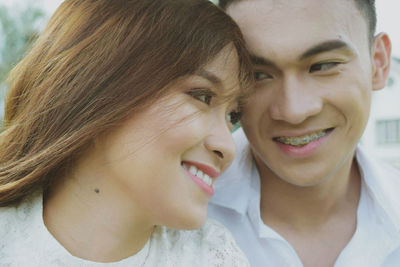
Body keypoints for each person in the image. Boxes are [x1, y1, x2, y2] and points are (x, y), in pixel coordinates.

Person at [0, 0, 253, 266]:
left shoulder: (214, 258)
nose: (228, 146)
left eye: (232, 117)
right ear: (98, 90)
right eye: (202, 96)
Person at [208, 0, 400, 266]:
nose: (293, 111)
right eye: (259, 74)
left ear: (378, 64)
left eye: (323, 66)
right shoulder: (166, 221)